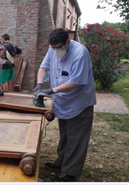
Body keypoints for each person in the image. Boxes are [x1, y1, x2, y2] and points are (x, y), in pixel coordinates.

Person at [33, 28, 96, 182]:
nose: (56, 51)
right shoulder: (53, 48)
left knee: (76, 138)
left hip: (79, 103)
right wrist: (40, 84)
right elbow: (43, 68)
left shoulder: (80, 54)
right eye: (53, 48)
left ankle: (70, 172)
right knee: (65, 135)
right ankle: (61, 162)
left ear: (68, 41)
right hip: (63, 102)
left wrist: (51, 90)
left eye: (59, 47)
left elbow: (75, 82)